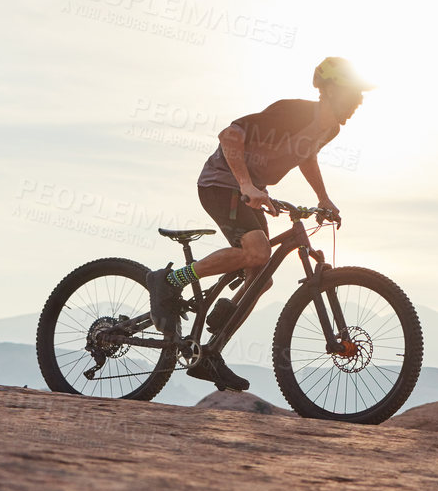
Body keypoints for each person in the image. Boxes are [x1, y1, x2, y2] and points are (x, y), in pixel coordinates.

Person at [146, 57, 372, 391]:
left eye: (359, 96)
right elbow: (229, 135)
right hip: (221, 182)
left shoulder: (330, 128)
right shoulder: (293, 112)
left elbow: (305, 155)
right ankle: (169, 279)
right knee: (256, 253)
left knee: (260, 278)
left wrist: (323, 198)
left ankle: (209, 352)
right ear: (327, 91)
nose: (356, 102)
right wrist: (247, 185)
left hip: (249, 190)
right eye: (351, 94)